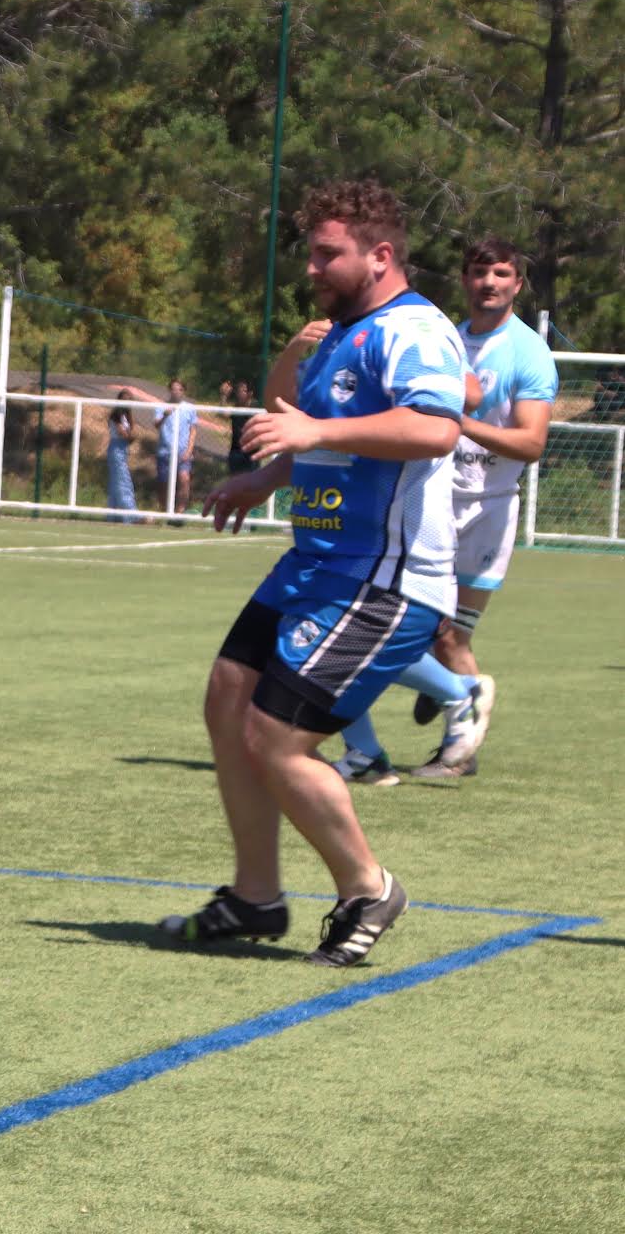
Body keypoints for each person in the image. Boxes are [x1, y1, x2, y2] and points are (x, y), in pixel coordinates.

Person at [172, 177, 465, 968]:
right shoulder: (342, 331)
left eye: (327, 253)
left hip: (383, 579)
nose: (312, 267)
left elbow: (435, 429)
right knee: (228, 698)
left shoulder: (416, 331)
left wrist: (316, 426)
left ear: (381, 255)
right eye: (311, 251)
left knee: (278, 737)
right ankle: (256, 896)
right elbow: (315, 432)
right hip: (316, 562)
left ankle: (368, 887)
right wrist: (268, 478)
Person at [337, 236, 556, 783]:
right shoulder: (447, 341)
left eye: (502, 273)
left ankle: (459, 748)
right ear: (464, 279)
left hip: (488, 509)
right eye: (480, 272)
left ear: (517, 285)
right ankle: (440, 691)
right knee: (404, 626)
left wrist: (458, 424)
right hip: (427, 503)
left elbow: (530, 444)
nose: (490, 282)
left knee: (451, 637)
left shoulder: (527, 353)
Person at [153, 378, 199, 514]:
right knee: (163, 483)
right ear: (169, 390)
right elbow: (156, 425)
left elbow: (193, 430)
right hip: (165, 451)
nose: (176, 392)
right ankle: (164, 511)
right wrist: (164, 416)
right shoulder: (161, 407)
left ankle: (180, 512)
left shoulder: (189, 408)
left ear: (183, 391)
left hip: (182, 451)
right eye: (173, 389)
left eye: (179, 389)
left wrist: (189, 450)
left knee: (184, 479)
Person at [104, 391, 138, 521]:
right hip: (116, 449)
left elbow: (131, 432)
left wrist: (130, 435)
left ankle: (114, 515)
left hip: (123, 449)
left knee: (115, 483)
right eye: (125, 400)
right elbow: (124, 434)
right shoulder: (115, 416)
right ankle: (132, 514)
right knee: (124, 481)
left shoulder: (126, 416)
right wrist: (130, 436)